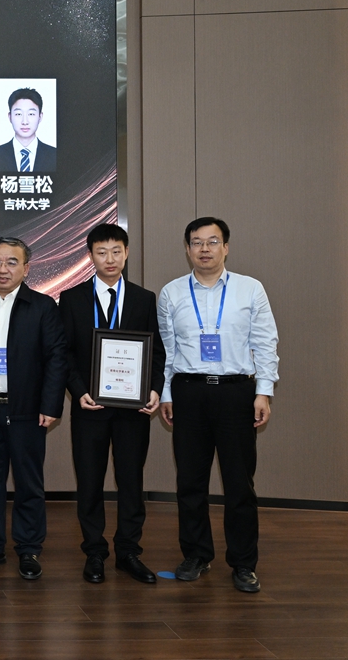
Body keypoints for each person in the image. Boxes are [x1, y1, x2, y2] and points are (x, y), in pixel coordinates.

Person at [158, 217, 279, 593]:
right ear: (187, 249)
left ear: (226, 247)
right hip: (189, 392)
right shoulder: (171, 293)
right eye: (197, 242)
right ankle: (196, 554)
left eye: (212, 241)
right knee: (190, 481)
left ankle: (243, 563)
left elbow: (265, 342)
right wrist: (167, 393)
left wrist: (263, 391)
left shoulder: (250, 289)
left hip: (236, 393)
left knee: (239, 483)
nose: (204, 249)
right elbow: (167, 350)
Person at [59, 223, 166, 585]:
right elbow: (64, 353)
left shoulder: (143, 298)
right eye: (102, 252)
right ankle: (94, 552)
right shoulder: (72, 298)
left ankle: (129, 552)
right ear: (90, 255)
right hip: (89, 408)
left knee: (131, 482)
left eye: (116, 251)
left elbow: (156, 352)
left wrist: (154, 389)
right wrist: (78, 390)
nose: (110, 259)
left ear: (127, 253)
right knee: (89, 482)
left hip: (133, 411)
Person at [0, 236, 67, 580]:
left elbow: (56, 359)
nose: (2, 269)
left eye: (11, 262)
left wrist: (50, 405)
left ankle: (29, 549)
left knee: (28, 483)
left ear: (26, 268)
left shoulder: (43, 306)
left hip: (27, 410)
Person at [0, 88, 56, 172]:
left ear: (40, 117)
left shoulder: (55, 155)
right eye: (18, 114)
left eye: (31, 114)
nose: (25, 122)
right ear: (10, 117)